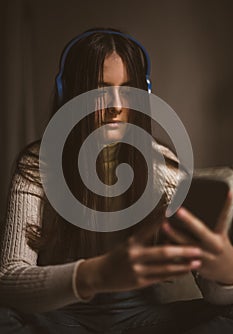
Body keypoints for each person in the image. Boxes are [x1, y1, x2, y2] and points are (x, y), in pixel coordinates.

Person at [0, 28, 233, 334]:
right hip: (57, 320)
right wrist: (96, 275)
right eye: (100, 90)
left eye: (128, 89)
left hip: (140, 321)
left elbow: (214, 294)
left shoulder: (161, 163)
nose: (117, 104)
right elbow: (9, 279)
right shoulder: (37, 163)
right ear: (69, 94)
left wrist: (225, 273)